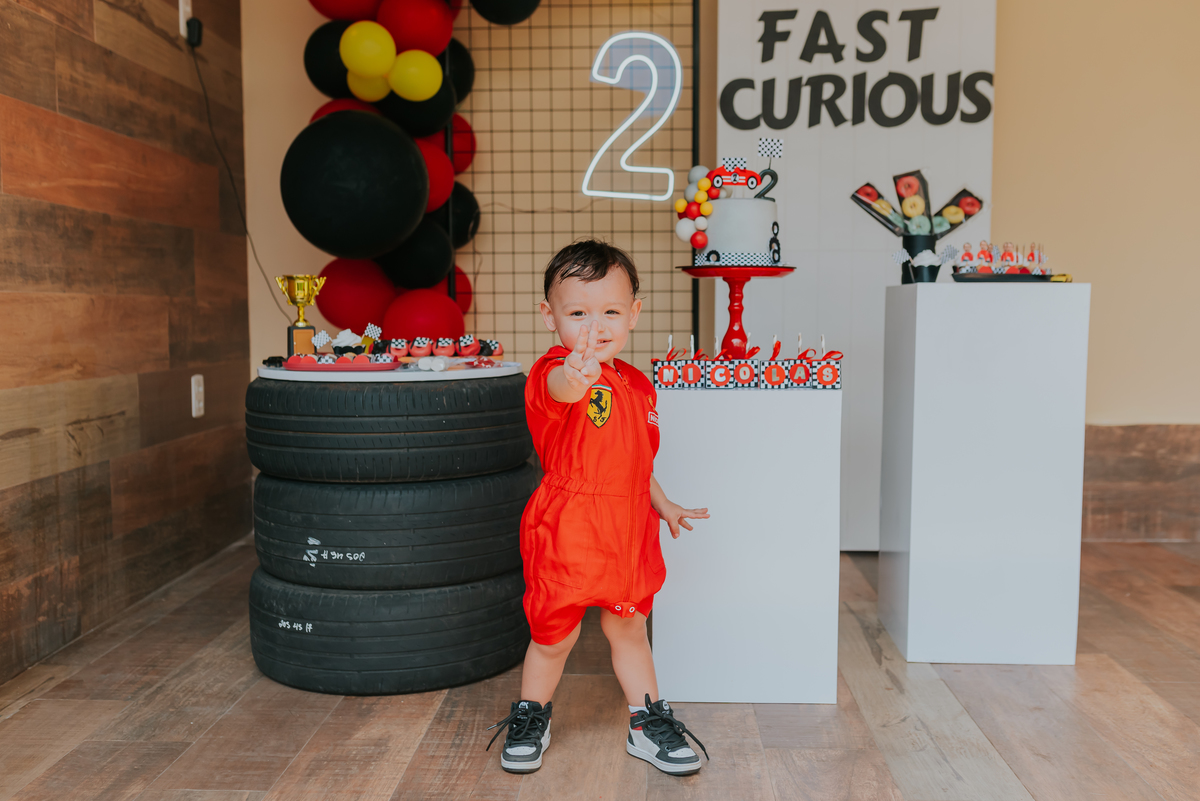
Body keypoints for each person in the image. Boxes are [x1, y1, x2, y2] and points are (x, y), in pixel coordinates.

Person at [487, 240, 710, 776]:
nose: (596, 325)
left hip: (629, 528)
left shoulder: (637, 385)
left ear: (634, 313)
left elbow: (636, 461)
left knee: (628, 628)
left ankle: (646, 722)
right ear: (550, 317)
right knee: (554, 636)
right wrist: (577, 375)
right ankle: (531, 714)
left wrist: (664, 504)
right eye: (578, 313)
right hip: (567, 529)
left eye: (611, 311)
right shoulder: (552, 374)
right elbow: (562, 392)